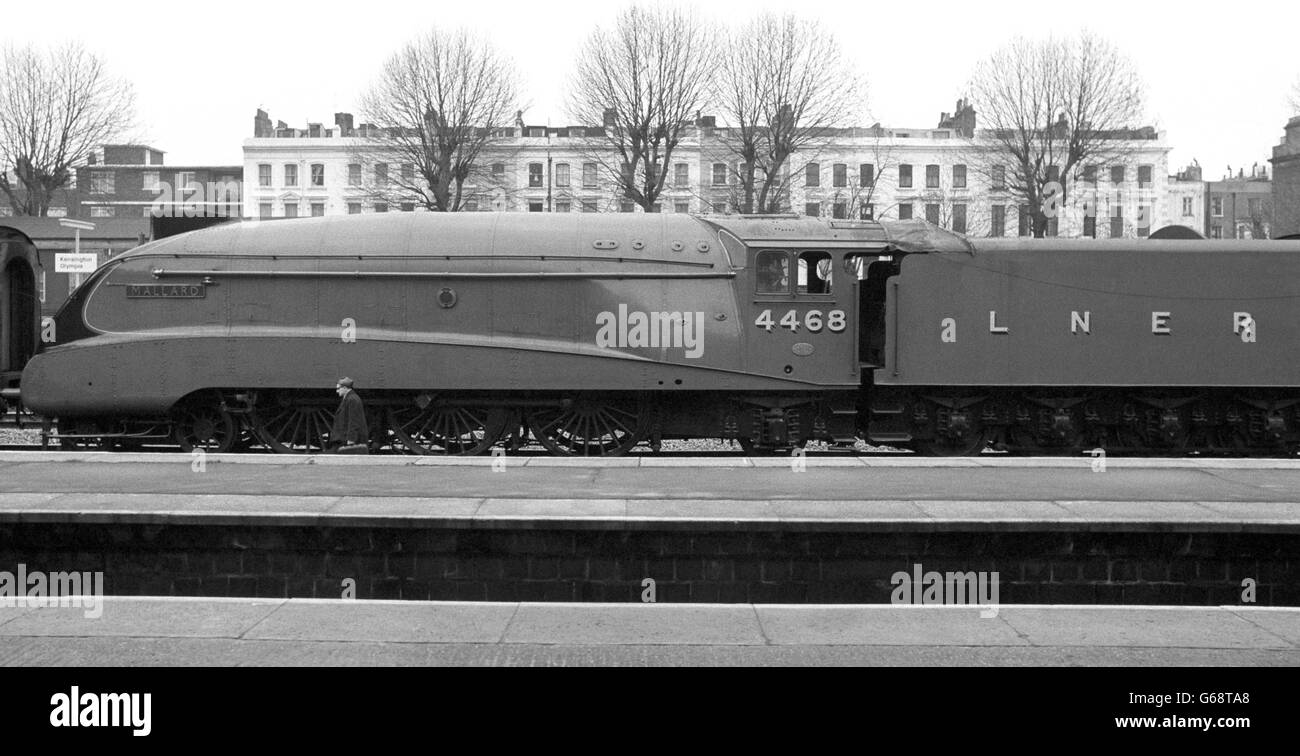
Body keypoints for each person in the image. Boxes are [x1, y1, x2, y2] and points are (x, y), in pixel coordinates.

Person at [330, 377, 369, 453]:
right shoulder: (350, 398)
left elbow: (353, 420)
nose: (337, 391)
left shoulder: (352, 400)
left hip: (350, 439)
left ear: (345, 388)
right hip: (346, 438)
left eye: (338, 388)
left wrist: (351, 439)